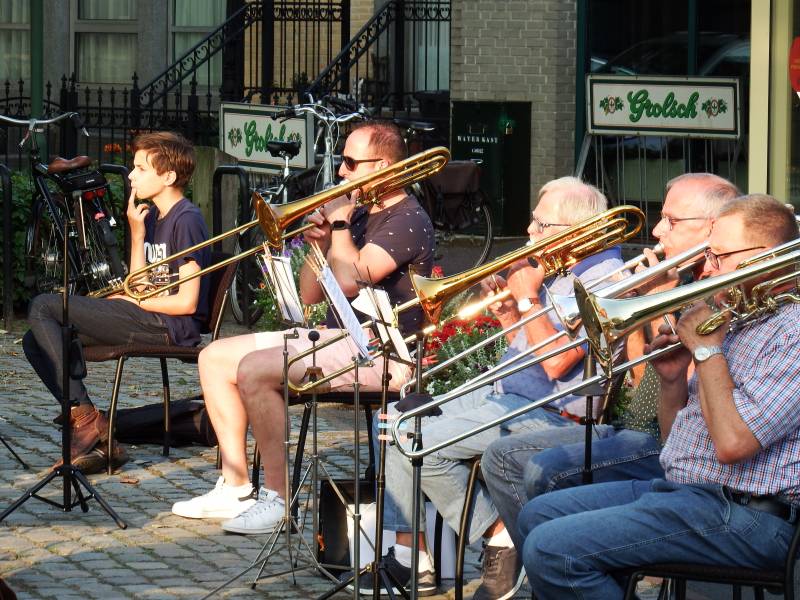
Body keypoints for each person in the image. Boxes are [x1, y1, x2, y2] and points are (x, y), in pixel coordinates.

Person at [518, 194, 800, 600]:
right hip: (691, 494)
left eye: (719, 256)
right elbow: (673, 445)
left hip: (749, 515)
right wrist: (671, 381)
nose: (708, 268)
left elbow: (733, 444)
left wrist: (706, 350)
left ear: (766, 256)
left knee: (551, 551)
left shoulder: (791, 332)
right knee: (538, 514)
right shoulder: (738, 319)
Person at [360, 177, 624, 598]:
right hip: (509, 396)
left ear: (575, 230)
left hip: (551, 413)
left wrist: (527, 299)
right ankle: (413, 558)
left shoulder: (603, 278)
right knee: (394, 420)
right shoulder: (560, 269)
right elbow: (531, 347)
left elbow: (558, 364)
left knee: (414, 439)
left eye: (541, 225)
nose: (530, 232)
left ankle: (499, 534)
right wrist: (508, 314)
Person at [171, 121, 435, 533]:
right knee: (214, 357)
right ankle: (235, 486)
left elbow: (350, 280)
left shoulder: (408, 220)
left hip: (382, 353)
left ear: (382, 166)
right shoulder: (360, 213)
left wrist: (340, 229)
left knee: (254, 370)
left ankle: (277, 499)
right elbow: (312, 295)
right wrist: (319, 243)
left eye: (350, 163)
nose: (341, 172)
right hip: (338, 339)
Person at [480, 173, 740, 569]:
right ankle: (552, 569)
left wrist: (659, 301)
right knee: (504, 456)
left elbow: (700, 402)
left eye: (671, 221)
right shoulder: (683, 279)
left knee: (539, 469)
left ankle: (552, 568)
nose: (657, 231)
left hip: (670, 445)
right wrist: (640, 314)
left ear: (713, 227)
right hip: (639, 427)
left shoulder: (722, 294)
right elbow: (642, 381)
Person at [23, 131, 210, 473]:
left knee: (44, 306)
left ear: (168, 177)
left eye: (141, 168)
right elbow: (138, 285)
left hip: (170, 327)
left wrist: (134, 302)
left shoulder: (187, 219)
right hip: (147, 315)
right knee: (34, 339)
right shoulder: (152, 216)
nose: (131, 176)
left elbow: (187, 302)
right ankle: (90, 421)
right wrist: (137, 234)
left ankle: (89, 424)